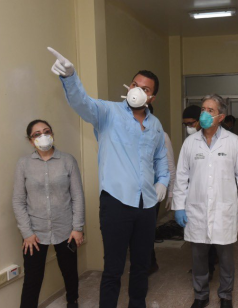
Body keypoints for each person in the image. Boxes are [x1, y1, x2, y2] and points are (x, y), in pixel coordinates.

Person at [48, 48, 169, 308]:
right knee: (113, 268)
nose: (138, 90)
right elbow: (82, 102)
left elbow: (160, 159)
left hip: (147, 204)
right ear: (129, 86)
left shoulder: (155, 125)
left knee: (141, 265)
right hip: (116, 203)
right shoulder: (107, 113)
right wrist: (70, 77)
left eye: (145, 88)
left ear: (152, 96)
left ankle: (137, 304)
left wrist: (163, 181)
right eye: (135, 84)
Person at [173, 94, 238, 308]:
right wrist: (179, 206)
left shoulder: (234, 142)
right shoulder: (190, 143)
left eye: (210, 110)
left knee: (226, 257)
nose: (204, 114)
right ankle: (200, 295)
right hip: (197, 209)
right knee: (199, 255)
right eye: (203, 109)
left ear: (221, 116)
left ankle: (226, 295)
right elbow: (182, 176)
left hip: (223, 210)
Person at [12, 119, 84, 308]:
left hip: (66, 229)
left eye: (46, 131)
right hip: (35, 232)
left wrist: (77, 228)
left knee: (69, 272)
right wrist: (26, 233)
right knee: (32, 279)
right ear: (30, 140)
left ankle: (72, 301)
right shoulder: (24, 164)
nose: (43, 136)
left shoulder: (67, 161)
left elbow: (77, 196)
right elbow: (18, 200)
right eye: (37, 134)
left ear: (52, 134)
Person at [182, 105, 219, 281]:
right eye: (185, 124)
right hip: (195, 196)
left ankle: (210, 267)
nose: (188, 127)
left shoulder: (222, 139)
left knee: (212, 236)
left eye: (191, 123)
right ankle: (202, 269)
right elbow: (184, 172)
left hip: (215, 198)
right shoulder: (190, 142)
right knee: (199, 238)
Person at [147, 104, 176, 275]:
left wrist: (171, 193)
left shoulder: (161, 136)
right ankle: (146, 261)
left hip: (153, 192)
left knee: (147, 230)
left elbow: (170, 166)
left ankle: (150, 263)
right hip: (131, 192)